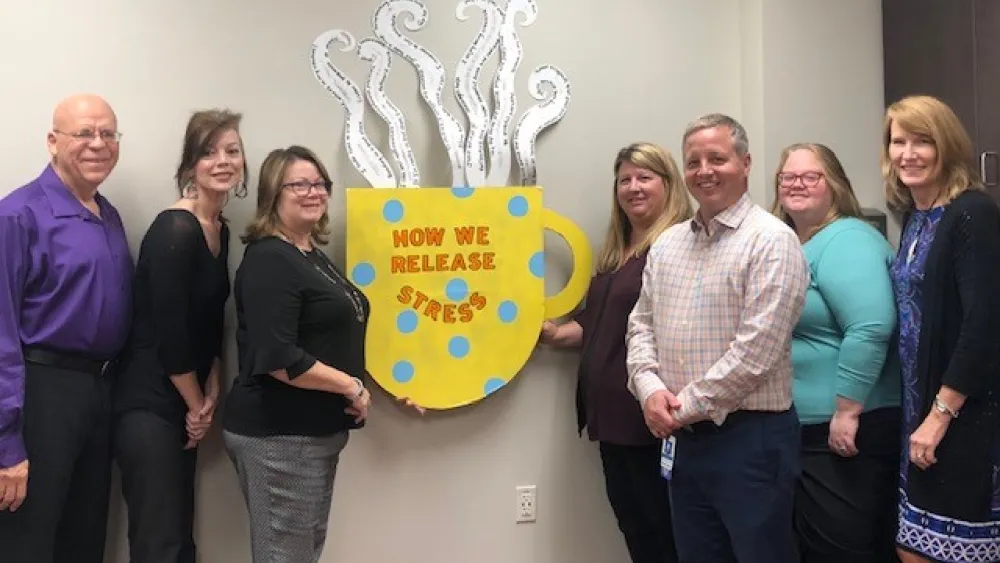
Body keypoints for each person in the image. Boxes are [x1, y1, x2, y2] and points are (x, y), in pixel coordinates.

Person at [625, 113, 809, 563]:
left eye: (717, 159)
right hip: (684, 441)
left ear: (745, 164)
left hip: (750, 440)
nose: (704, 171)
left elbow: (756, 353)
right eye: (693, 162)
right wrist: (649, 389)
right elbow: (640, 325)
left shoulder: (772, 241)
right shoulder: (667, 245)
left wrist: (678, 409)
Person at [540, 142, 693, 563]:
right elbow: (599, 324)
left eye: (645, 177)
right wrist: (553, 334)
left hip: (648, 416)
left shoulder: (679, 246)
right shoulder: (616, 254)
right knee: (636, 528)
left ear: (669, 184)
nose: (633, 187)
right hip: (610, 418)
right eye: (625, 180)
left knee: (665, 531)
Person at [222, 145, 372, 562]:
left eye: (320, 183)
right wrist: (351, 387)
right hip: (281, 435)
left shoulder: (307, 254)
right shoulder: (271, 259)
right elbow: (278, 357)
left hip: (311, 434)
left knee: (299, 555)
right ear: (273, 193)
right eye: (299, 185)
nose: (313, 192)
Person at [0, 93, 132, 563]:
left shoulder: (107, 214)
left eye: (108, 134)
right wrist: (6, 443)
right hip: (41, 393)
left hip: (97, 391)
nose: (98, 144)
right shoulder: (17, 216)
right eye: (84, 133)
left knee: (84, 534)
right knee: (29, 538)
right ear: (53, 142)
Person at [112, 109, 247, 563]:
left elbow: (209, 322)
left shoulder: (219, 229)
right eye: (209, 152)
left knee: (179, 542)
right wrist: (197, 407)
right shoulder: (175, 229)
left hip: (185, 400)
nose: (222, 161)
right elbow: (169, 332)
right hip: (149, 405)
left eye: (232, 151)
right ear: (190, 164)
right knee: (160, 544)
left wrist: (211, 388)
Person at [883, 95, 1000, 563]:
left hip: (963, 414)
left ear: (947, 147)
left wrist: (940, 414)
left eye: (922, 142)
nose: (908, 154)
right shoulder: (916, 217)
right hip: (919, 411)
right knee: (912, 547)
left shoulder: (972, 213)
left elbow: (984, 324)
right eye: (898, 142)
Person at [772, 142, 901, 563]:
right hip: (807, 430)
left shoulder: (847, 239)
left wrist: (847, 410)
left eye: (811, 176)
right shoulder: (794, 243)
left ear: (836, 185)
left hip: (846, 429)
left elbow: (870, 326)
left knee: (840, 550)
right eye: (788, 177)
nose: (797, 184)